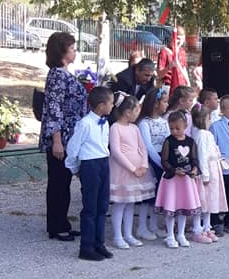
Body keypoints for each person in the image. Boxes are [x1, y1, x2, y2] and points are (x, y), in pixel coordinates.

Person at [39, 31, 87, 241]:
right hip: (62, 138)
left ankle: (62, 222)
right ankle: (56, 226)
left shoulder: (65, 73)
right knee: (58, 182)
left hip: (71, 136)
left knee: (64, 181)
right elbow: (54, 109)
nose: (75, 52)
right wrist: (56, 140)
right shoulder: (57, 76)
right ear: (62, 51)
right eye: (72, 49)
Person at [65, 86, 114, 261]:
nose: (112, 106)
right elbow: (73, 147)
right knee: (90, 207)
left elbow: (104, 145)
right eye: (111, 103)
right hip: (90, 164)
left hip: (103, 162)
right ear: (101, 105)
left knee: (102, 206)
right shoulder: (85, 123)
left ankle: (99, 243)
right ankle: (86, 247)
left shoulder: (105, 122)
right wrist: (74, 168)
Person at [109, 95, 157, 249]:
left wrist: (143, 165)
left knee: (130, 203)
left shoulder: (134, 128)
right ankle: (118, 236)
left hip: (138, 170)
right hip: (123, 171)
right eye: (136, 110)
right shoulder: (115, 127)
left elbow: (142, 147)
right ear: (128, 112)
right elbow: (116, 151)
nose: (138, 113)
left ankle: (128, 234)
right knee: (120, 203)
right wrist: (132, 168)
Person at [154, 110, 202, 248]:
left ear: (185, 126)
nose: (174, 131)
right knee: (171, 207)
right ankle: (170, 235)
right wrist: (174, 170)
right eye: (171, 128)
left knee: (183, 207)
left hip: (186, 180)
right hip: (172, 179)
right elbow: (164, 160)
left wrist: (195, 168)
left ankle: (181, 234)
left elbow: (194, 158)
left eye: (177, 128)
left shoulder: (190, 141)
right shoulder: (168, 141)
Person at [192, 104, 228, 243]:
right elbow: (202, 155)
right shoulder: (202, 134)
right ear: (203, 119)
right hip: (207, 171)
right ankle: (197, 229)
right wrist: (205, 175)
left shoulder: (205, 134)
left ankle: (207, 227)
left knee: (210, 201)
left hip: (214, 169)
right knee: (203, 201)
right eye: (208, 118)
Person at [137, 88, 169, 238]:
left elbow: (168, 141)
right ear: (156, 103)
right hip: (151, 160)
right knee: (147, 196)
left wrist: (168, 160)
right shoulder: (144, 123)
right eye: (165, 102)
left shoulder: (164, 122)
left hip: (163, 159)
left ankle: (153, 225)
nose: (167, 104)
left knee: (157, 195)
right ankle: (142, 227)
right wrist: (161, 162)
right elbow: (148, 146)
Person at [210, 95, 229, 236]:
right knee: (217, 194)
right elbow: (213, 147)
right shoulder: (216, 126)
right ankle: (215, 220)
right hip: (221, 165)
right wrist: (218, 161)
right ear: (222, 110)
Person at [157, 25, 190, 92]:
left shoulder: (182, 51)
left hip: (181, 86)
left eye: (182, 39)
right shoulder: (164, 52)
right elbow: (159, 74)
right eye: (178, 38)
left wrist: (188, 83)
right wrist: (169, 67)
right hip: (168, 86)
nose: (180, 42)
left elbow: (184, 69)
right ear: (173, 37)